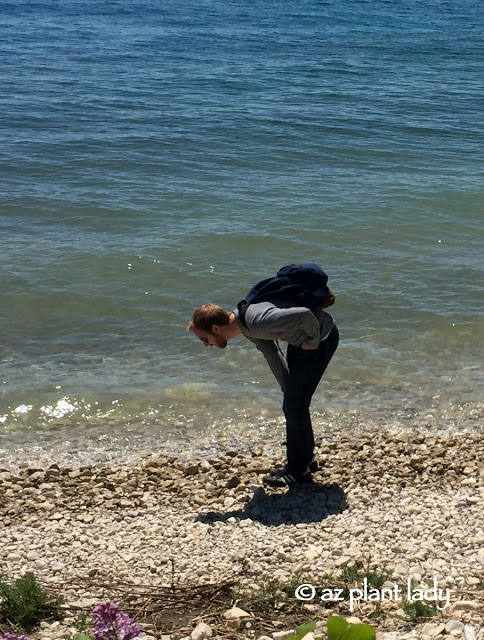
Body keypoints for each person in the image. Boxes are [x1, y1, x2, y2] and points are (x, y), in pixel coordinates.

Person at [187, 297, 339, 488]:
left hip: (321, 338)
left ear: (216, 329)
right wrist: (287, 389)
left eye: (204, 339)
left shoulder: (257, 321)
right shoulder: (246, 327)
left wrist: (312, 343)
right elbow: (271, 353)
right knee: (295, 403)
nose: (206, 344)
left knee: (295, 406)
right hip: (300, 342)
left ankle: (297, 470)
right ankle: (305, 462)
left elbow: (305, 316)